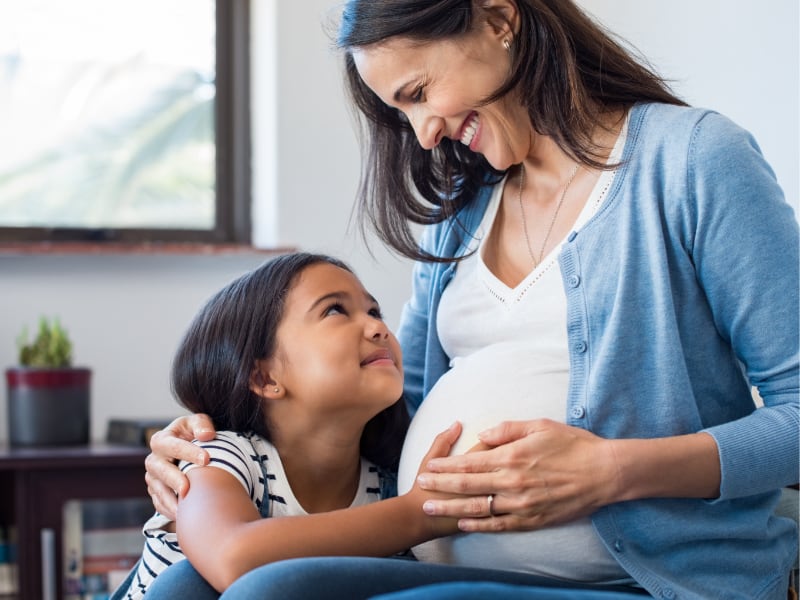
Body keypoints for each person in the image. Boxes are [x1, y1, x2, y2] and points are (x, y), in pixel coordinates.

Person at [143, 0, 799, 599]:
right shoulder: (459, 215)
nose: (423, 133)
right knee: (180, 589)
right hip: (441, 560)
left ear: (498, 19)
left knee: (267, 595)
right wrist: (215, 445)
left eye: (420, 92)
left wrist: (612, 471)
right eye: (401, 112)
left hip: (640, 579)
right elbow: (398, 419)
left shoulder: (691, 161)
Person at [111, 252, 472, 598]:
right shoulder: (217, 458)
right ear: (265, 377)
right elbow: (232, 557)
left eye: (374, 310)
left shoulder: (389, 481)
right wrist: (417, 514)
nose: (378, 327)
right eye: (335, 310)